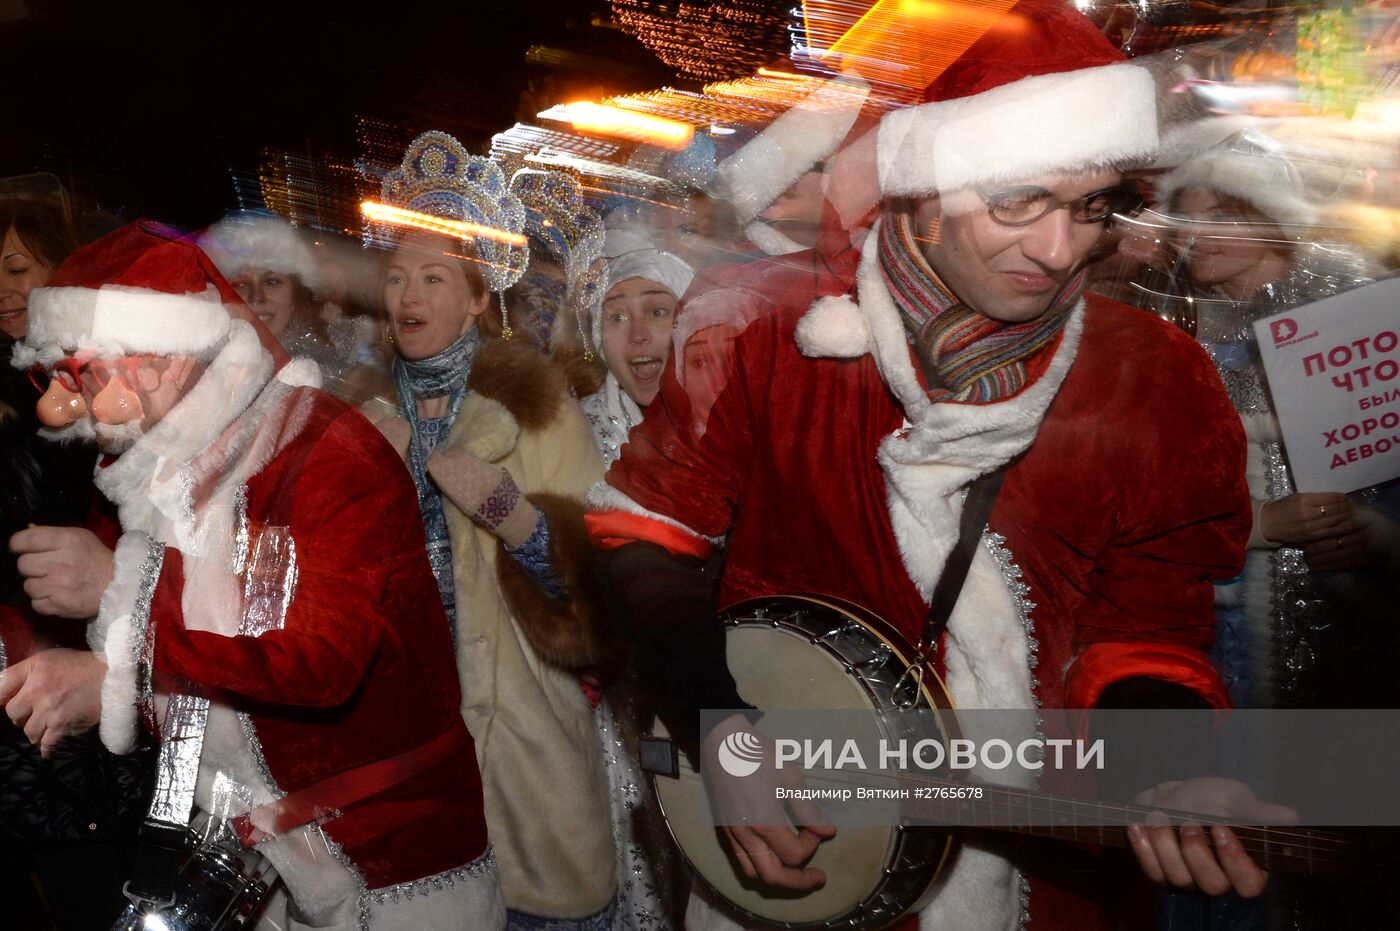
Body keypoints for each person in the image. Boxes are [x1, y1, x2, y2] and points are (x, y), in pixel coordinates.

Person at [589, 2, 1272, 928]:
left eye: (1088, 205)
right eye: (1017, 200)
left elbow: (1147, 625)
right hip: (806, 847)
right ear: (923, 182)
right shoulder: (761, 327)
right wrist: (727, 741)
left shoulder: (1151, 376)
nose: (1058, 248)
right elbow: (642, 537)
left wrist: (1166, 762)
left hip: (1048, 872)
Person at [4, 221, 503, 928]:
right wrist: (89, 667)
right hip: (248, 865)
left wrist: (127, 587)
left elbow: (313, 656)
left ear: (169, 359)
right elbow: (178, 656)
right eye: (49, 377)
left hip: (390, 874)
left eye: (83, 373)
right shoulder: (141, 473)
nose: (62, 407)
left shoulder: (324, 455)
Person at [363, 131, 618, 930]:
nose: (410, 295)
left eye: (435, 277)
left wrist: (517, 520)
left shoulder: (537, 408)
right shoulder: (361, 424)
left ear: (479, 296)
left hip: (524, 755)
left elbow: (599, 604)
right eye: (398, 277)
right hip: (407, 764)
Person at [1150, 128, 1396, 713]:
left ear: (1273, 217)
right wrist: (1260, 524)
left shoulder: (1351, 323)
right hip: (1207, 634)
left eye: (1221, 217)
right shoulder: (1169, 331)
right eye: (1184, 220)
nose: (1194, 238)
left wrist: (1376, 538)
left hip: (1343, 646)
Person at [200, 211, 365, 388]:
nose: (257, 297)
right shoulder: (194, 373)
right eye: (240, 284)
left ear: (295, 296)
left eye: (272, 282)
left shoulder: (333, 376)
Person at [582, 246, 693, 465]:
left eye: (657, 312)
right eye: (618, 317)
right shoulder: (571, 431)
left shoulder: (740, 425)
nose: (638, 335)